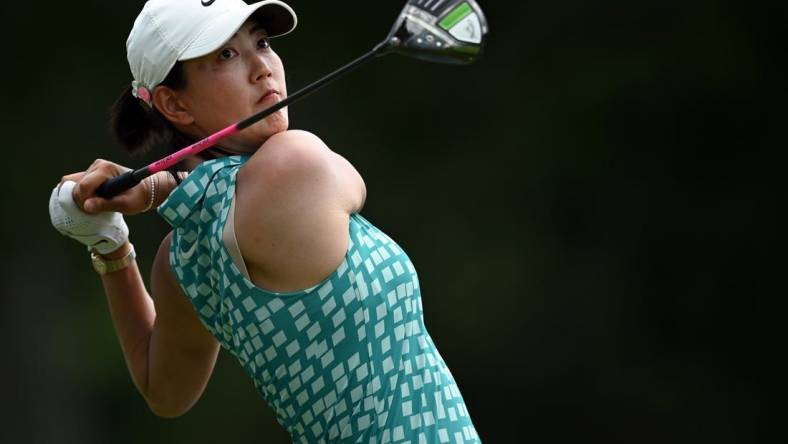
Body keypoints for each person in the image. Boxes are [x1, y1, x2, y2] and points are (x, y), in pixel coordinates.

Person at [49, 0, 481, 442]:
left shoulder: (180, 259)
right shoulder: (293, 164)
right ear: (174, 104)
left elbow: (163, 390)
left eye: (262, 43)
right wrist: (160, 187)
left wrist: (111, 247)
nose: (262, 68)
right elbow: (350, 184)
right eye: (226, 55)